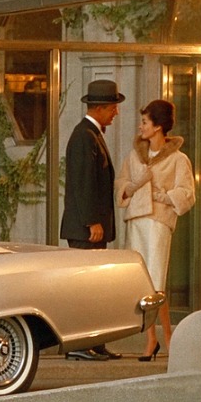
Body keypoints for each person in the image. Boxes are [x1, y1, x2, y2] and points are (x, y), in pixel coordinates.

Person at [116, 99, 196, 361]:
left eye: (145, 122)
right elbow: (122, 185)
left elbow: (187, 193)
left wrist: (162, 196)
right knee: (141, 283)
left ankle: (168, 338)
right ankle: (152, 339)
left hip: (158, 224)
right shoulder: (134, 156)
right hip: (136, 221)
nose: (141, 127)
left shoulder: (178, 159)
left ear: (158, 126)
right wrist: (134, 185)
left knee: (156, 282)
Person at [61, 78, 125, 360]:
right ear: (100, 107)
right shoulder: (83, 136)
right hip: (87, 230)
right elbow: (82, 183)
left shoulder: (91, 134)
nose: (116, 112)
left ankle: (95, 342)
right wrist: (91, 222)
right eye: (113, 107)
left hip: (93, 228)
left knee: (95, 289)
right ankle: (78, 345)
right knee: (83, 289)